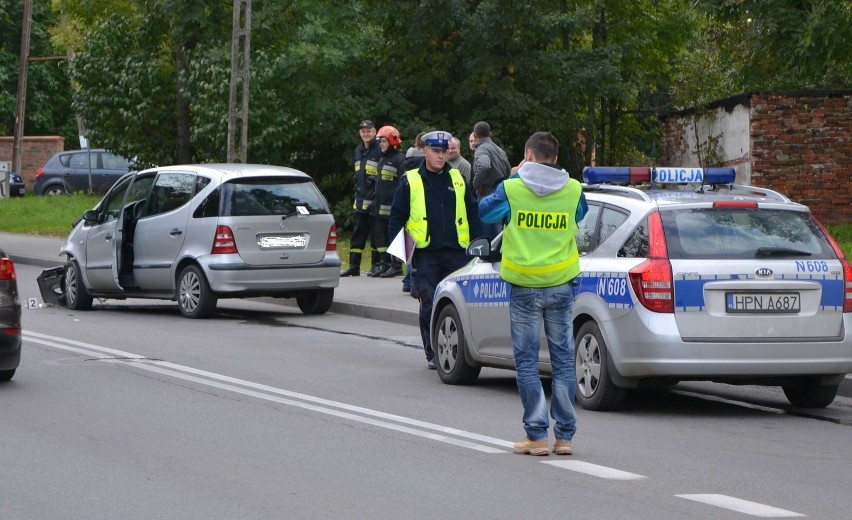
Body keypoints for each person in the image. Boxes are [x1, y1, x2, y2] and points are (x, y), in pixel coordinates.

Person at [478, 131, 587, 456]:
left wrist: (512, 177)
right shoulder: (573, 189)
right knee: (564, 360)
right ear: (555, 157)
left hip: (525, 286)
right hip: (560, 285)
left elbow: (485, 212)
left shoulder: (512, 188)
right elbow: (579, 216)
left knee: (527, 361)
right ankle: (564, 437)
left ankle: (536, 435)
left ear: (528, 154)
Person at [389, 130, 484, 369]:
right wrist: (400, 255)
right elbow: (396, 218)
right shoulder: (410, 180)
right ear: (424, 151)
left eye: (443, 151)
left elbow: (473, 214)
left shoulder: (457, 179)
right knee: (429, 302)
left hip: (456, 252)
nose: (441, 156)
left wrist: (479, 244)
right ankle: (433, 352)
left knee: (458, 305)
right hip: (426, 253)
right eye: (436, 151)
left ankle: (457, 351)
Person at [341, 120, 383, 277]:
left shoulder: (379, 149)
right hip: (359, 200)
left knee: (375, 235)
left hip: (374, 201)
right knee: (357, 234)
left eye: (369, 131)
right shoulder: (358, 150)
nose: (366, 134)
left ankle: (375, 265)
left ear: (375, 132)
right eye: (363, 131)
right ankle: (354, 266)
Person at [371, 126, 406, 278]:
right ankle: (385, 264)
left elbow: (403, 184)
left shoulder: (400, 160)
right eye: (380, 142)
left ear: (392, 141)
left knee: (394, 237)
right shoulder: (382, 158)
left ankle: (396, 265)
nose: (381, 144)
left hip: (392, 207)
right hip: (379, 206)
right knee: (381, 238)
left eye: (383, 141)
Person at [471, 121, 512, 240]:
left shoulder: (481, 149)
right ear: (490, 134)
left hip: (487, 193)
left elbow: (484, 165)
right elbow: (508, 170)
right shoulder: (499, 150)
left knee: (488, 233)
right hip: (501, 192)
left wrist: (476, 184)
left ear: (475, 135)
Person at [399, 132, 426, 292]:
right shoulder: (423, 161)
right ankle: (412, 282)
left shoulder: (407, 159)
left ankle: (407, 281)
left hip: (409, 213)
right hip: (420, 212)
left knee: (409, 247)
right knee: (419, 252)